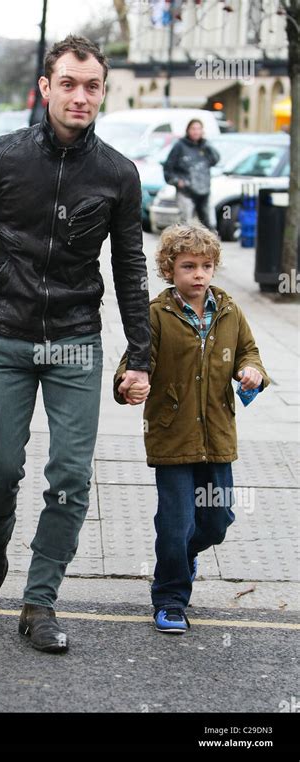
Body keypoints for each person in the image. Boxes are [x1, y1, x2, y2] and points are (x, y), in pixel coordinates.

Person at [0, 35, 151, 653]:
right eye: (68, 84)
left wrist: (140, 356)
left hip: (77, 342)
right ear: (45, 88)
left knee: (70, 475)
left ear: (103, 91)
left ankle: (40, 601)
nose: (80, 95)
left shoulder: (119, 174)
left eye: (91, 85)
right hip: (4, 338)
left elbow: (130, 268)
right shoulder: (0, 158)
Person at [113, 223, 269, 634]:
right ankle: (170, 598)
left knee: (218, 521)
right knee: (175, 522)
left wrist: (252, 371)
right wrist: (129, 384)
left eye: (206, 265)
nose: (198, 274)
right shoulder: (155, 315)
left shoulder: (230, 310)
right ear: (170, 269)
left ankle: (181, 557)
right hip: (172, 437)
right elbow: (131, 363)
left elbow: (248, 352)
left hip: (217, 437)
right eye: (188, 266)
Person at [163, 119, 220, 230]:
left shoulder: (205, 146)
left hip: (204, 192)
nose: (196, 132)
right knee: (186, 227)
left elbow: (216, 159)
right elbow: (168, 169)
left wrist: (206, 144)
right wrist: (177, 181)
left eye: (199, 129)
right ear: (188, 130)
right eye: (193, 129)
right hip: (186, 192)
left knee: (209, 226)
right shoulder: (180, 146)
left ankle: (209, 247)